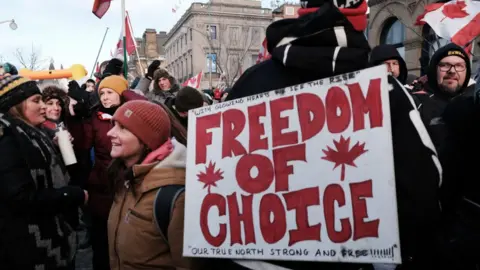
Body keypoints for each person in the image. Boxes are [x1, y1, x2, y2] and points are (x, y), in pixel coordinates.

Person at [223, 0, 443, 269]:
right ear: (359, 24)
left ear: (304, 15)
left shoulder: (251, 81)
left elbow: (217, 176)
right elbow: (423, 181)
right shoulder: (383, 88)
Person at [0, 75, 87, 269]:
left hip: (51, 240)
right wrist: (72, 195)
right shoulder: (6, 137)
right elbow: (20, 197)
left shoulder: (32, 132)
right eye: (36, 100)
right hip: (28, 249)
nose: (44, 107)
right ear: (16, 104)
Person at [107, 100, 190, 270]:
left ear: (146, 140)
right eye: (113, 125)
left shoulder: (176, 195)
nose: (110, 133)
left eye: (122, 128)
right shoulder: (126, 177)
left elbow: (187, 265)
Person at [80, 75, 146, 270]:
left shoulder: (133, 114)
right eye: (101, 93)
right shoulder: (95, 117)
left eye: (110, 92)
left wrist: (129, 95)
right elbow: (83, 146)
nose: (105, 97)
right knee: (101, 243)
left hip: (131, 183)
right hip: (102, 188)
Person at [415, 43, 472, 155]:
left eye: (459, 66)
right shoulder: (416, 104)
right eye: (445, 65)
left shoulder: (475, 104)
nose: (452, 71)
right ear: (433, 70)